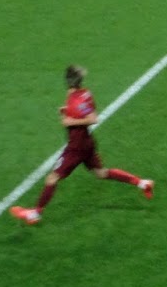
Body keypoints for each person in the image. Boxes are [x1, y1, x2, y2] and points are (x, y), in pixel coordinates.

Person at [8, 66, 154, 225]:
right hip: (87, 143)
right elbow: (84, 110)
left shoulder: (75, 100)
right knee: (101, 173)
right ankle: (143, 183)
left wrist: (70, 121)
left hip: (76, 147)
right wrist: (67, 112)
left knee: (52, 178)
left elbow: (93, 118)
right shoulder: (84, 93)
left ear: (67, 81)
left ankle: (35, 213)